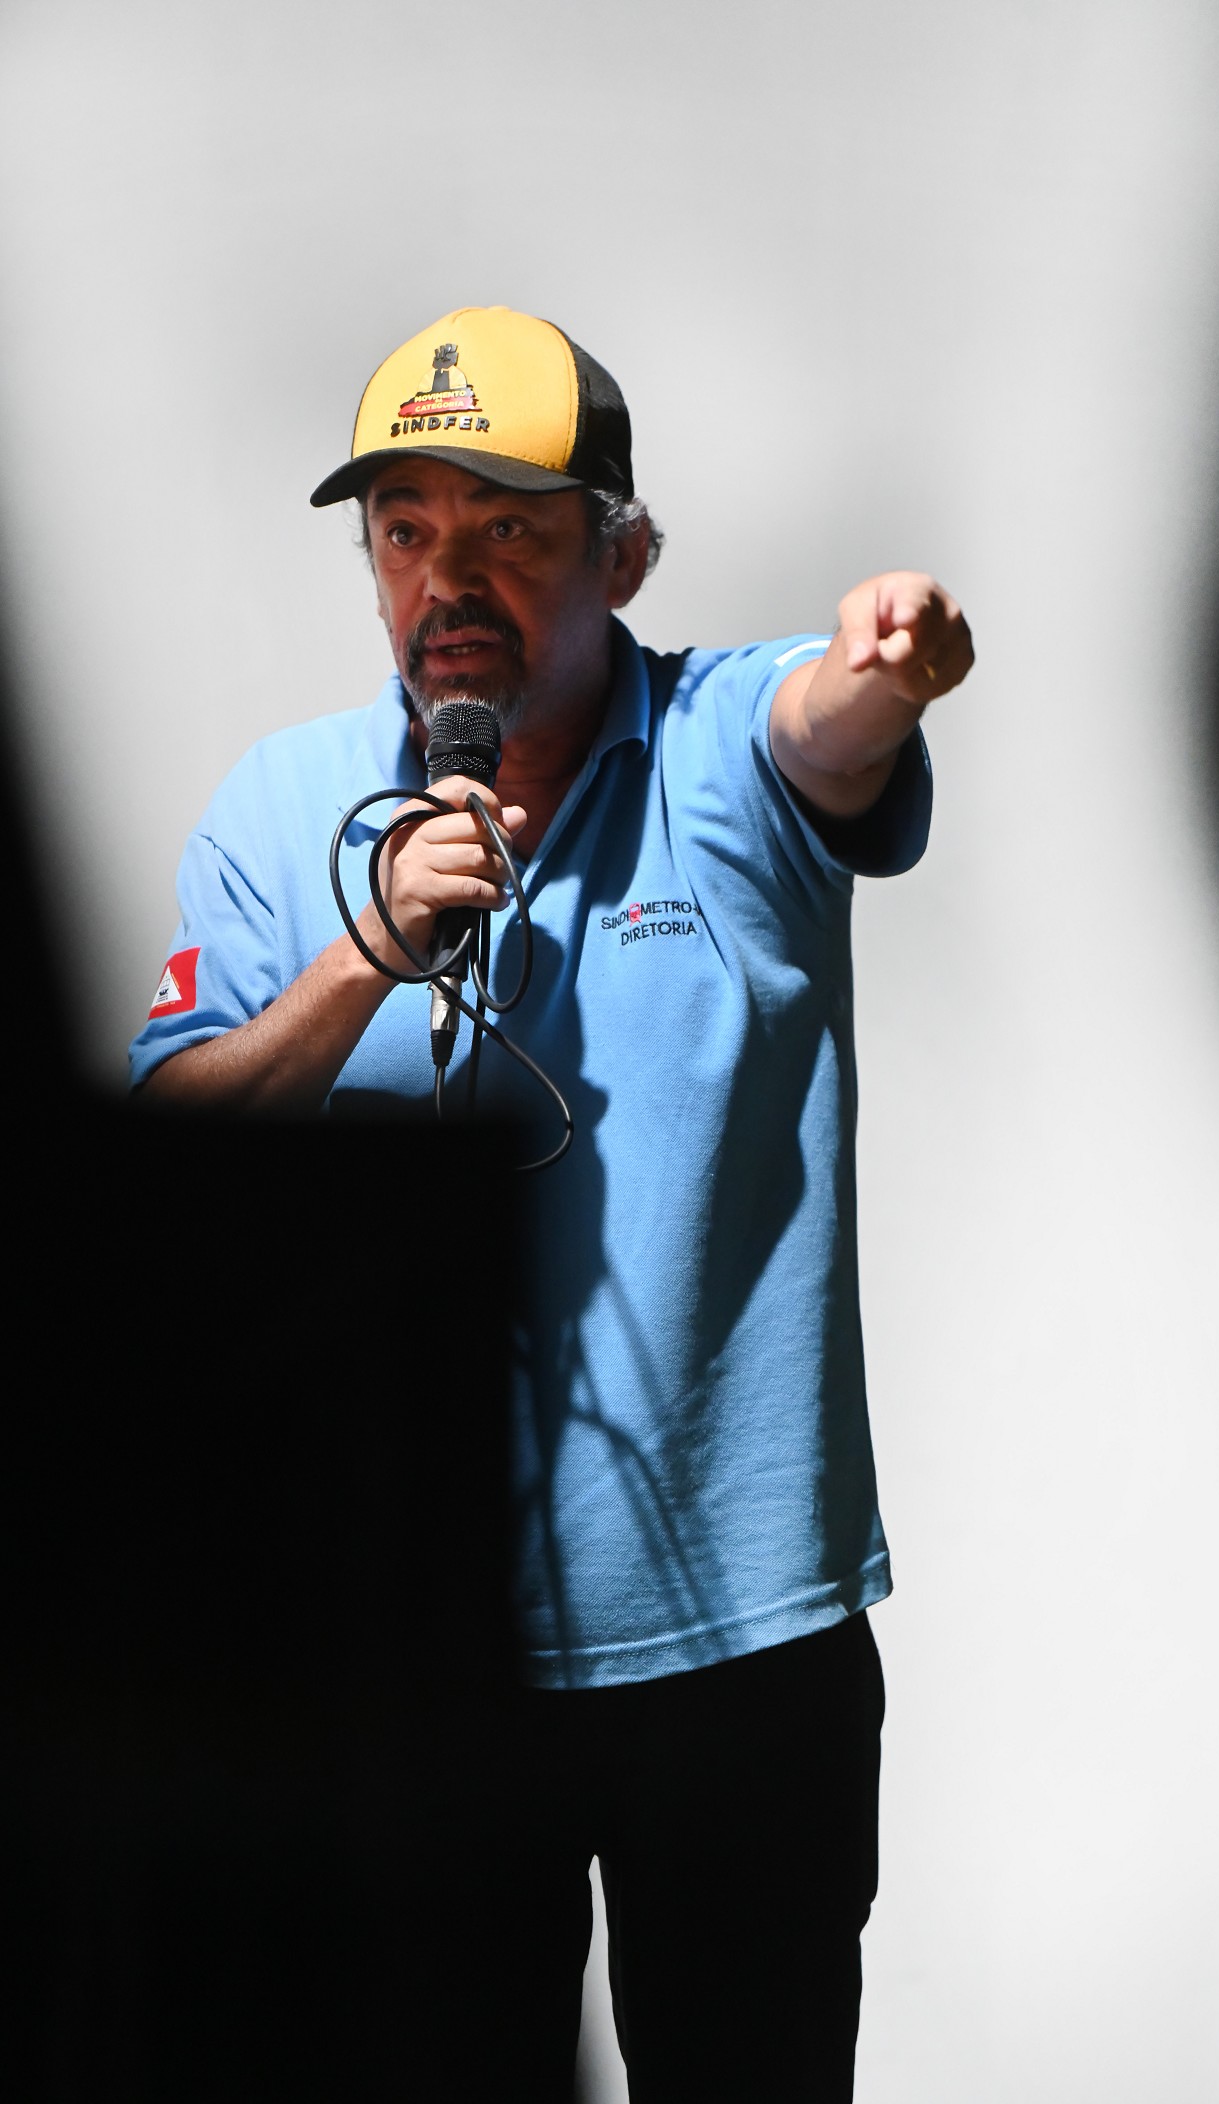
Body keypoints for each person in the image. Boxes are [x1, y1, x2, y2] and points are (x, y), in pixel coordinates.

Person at [130, 303, 974, 2100]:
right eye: (406, 530)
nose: (450, 577)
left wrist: (891, 668)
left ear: (625, 553)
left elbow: (831, 726)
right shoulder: (282, 810)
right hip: (410, 1661)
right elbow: (169, 1165)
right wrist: (364, 957)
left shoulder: (721, 744)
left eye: (509, 528)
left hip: (738, 1646)